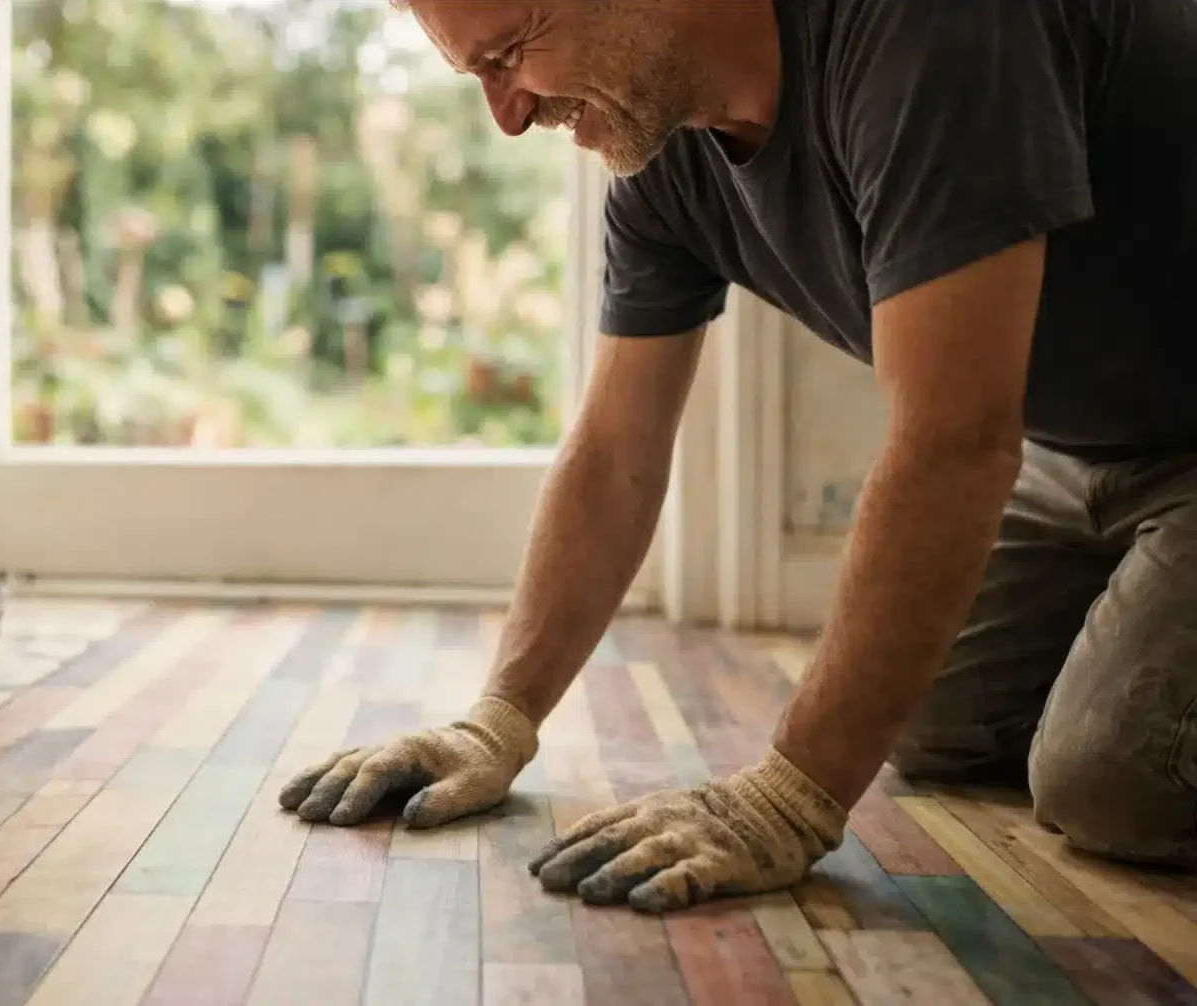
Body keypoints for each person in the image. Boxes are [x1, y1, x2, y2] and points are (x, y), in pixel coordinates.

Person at [279, 0, 1197, 913]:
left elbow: (953, 438)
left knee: (1115, 780)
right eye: (477, 73)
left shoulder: (929, 27)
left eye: (511, 55)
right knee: (931, 719)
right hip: (1083, 448)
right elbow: (615, 449)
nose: (508, 114)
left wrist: (788, 799)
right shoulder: (664, 152)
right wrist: (499, 719)